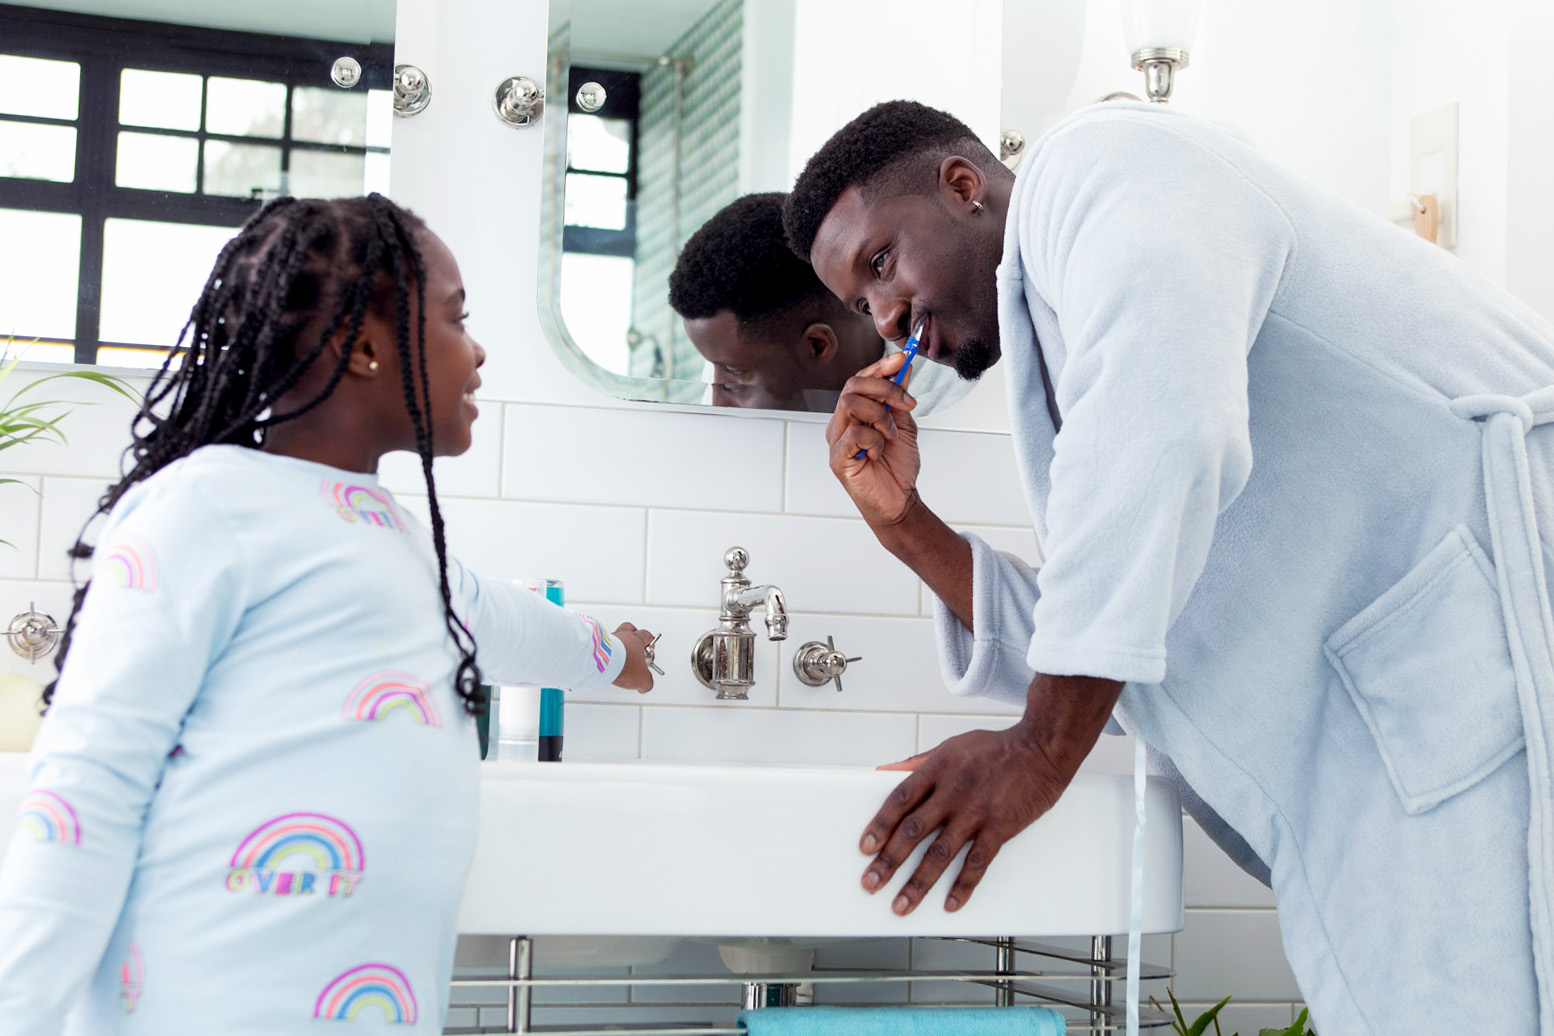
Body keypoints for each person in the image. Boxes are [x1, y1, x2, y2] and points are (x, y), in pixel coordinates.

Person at [784, 99, 1554, 1035]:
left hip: (1506, 626)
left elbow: (1162, 436)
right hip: (1402, 727)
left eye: (881, 263)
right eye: (863, 306)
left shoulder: (1104, 161)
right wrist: (908, 528)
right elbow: (1118, 642)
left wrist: (1037, 750)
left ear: (962, 185)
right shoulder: (1073, 353)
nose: (888, 315)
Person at [0, 194, 656, 1034]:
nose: (479, 351)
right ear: (368, 348)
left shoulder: (392, 535)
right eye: (457, 321)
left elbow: (505, 625)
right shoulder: (205, 508)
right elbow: (87, 788)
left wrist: (612, 655)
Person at [669, 192, 949, 412]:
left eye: (733, 376)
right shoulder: (729, 357)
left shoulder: (935, 406)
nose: (716, 403)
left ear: (817, 346)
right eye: (713, 370)